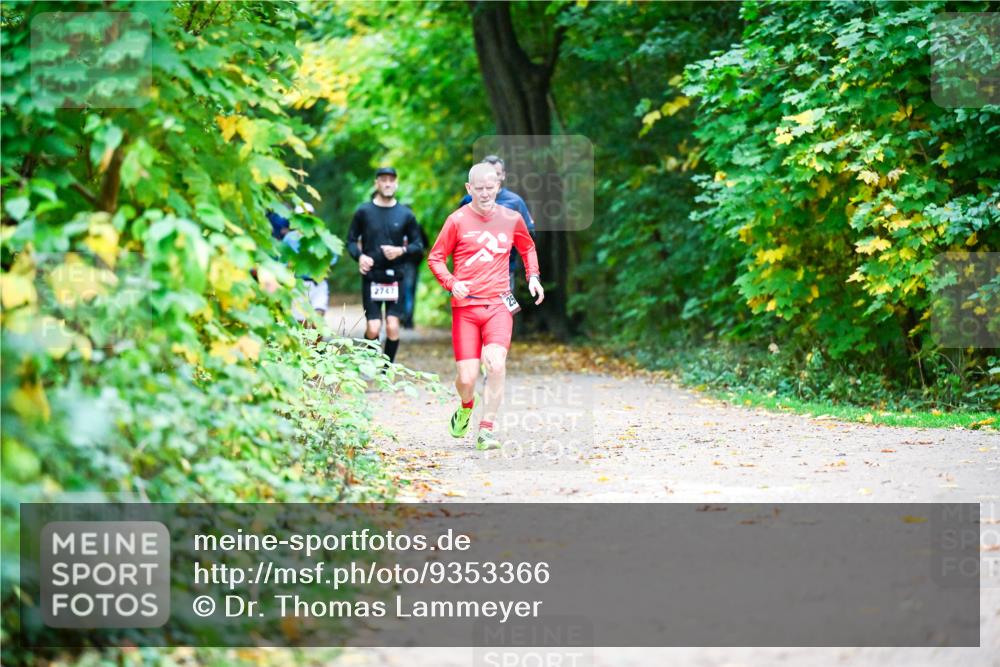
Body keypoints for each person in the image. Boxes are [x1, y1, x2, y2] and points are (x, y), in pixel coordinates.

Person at [427, 163, 544, 450]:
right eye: (478, 189)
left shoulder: (511, 217)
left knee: (495, 363)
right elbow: (436, 258)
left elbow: (526, 247)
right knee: (466, 378)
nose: (484, 194)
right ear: (469, 189)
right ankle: (467, 404)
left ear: (498, 187)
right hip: (465, 308)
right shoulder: (456, 220)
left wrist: (533, 277)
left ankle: (486, 429)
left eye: (490, 188)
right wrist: (452, 283)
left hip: (499, 305)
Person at [347, 167, 423, 363]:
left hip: (396, 277)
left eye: (391, 180)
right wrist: (360, 257)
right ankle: (370, 361)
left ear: (396, 184)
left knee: (392, 326)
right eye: (383, 180)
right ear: (377, 184)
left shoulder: (406, 214)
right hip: (371, 277)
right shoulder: (364, 211)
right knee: (373, 327)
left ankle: (385, 368)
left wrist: (401, 251)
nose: (388, 183)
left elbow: (418, 245)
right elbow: (351, 240)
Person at [458, 155, 536, 291]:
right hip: (473, 273)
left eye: (497, 174)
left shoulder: (515, 202)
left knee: (505, 311)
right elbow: (457, 237)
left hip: (504, 273)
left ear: (503, 176)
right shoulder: (468, 201)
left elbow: (529, 237)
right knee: (477, 311)